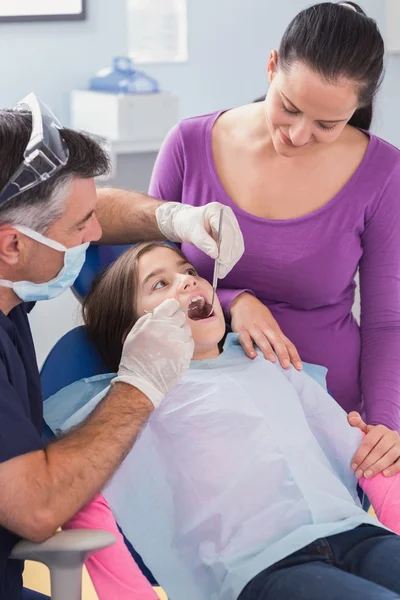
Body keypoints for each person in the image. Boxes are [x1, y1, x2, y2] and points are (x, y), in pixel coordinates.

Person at [43, 242, 400, 600]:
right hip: (262, 568)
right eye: (159, 284)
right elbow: (86, 503)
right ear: (132, 337)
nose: (186, 282)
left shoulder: (272, 365)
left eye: (189, 272)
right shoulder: (128, 408)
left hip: (358, 534)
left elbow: (366, 457)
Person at [134, 1, 400, 482]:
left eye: (327, 124)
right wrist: (234, 301)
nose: (299, 135)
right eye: (290, 108)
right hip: (200, 413)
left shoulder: (383, 174)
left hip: (328, 419)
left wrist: (385, 425)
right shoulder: (189, 145)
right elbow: (145, 273)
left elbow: (387, 322)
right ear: (272, 65)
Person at [0, 94, 244, 600]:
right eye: (79, 227)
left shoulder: (10, 284)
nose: (96, 235)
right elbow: (38, 509)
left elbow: (84, 209)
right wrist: (139, 385)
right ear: (13, 245)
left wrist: (177, 220)